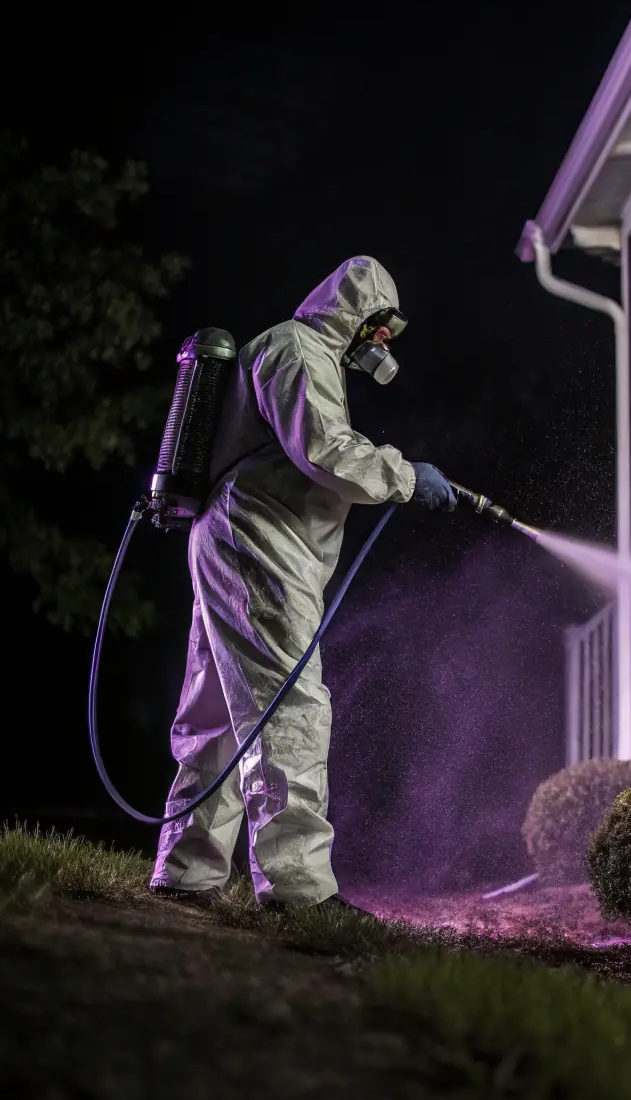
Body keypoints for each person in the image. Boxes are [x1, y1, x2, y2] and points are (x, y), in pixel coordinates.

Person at [149, 256, 455, 910]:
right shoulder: (297, 347)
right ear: (356, 315)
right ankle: (298, 886)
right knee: (290, 706)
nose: (381, 348)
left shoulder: (304, 355)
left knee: (219, 717)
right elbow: (325, 449)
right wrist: (405, 475)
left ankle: (186, 871)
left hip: (234, 536)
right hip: (257, 538)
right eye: (379, 331)